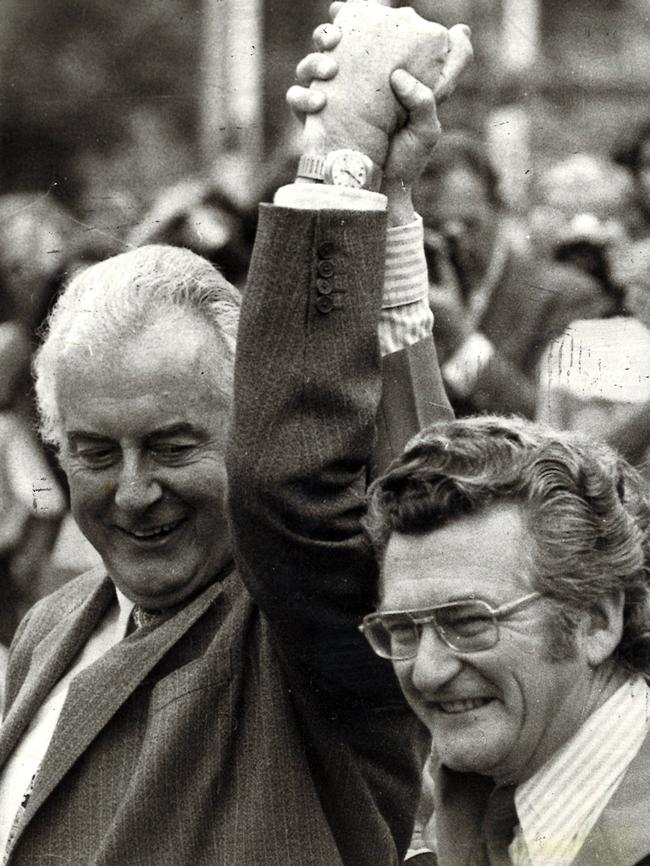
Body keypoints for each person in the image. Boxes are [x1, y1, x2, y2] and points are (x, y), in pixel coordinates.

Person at [0, 5, 472, 865]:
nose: (135, 492)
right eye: (95, 453)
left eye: (176, 447)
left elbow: (321, 497)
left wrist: (346, 164)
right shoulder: (49, 628)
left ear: (248, 428)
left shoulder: (313, 619)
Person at [361, 414, 650, 866]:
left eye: (469, 622)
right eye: (402, 629)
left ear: (595, 621)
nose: (426, 671)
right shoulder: (480, 801)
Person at [412, 133, 602, 419]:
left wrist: (460, 339)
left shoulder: (563, 294)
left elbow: (550, 422)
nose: (455, 241)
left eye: (467, 224)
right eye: (437, 228)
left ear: (499, 209)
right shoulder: (409, 295)